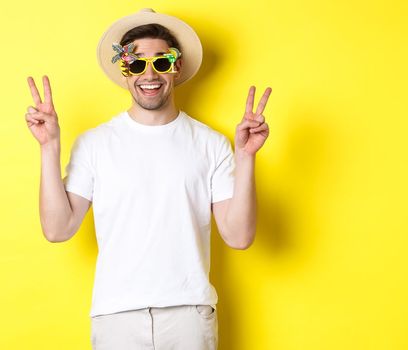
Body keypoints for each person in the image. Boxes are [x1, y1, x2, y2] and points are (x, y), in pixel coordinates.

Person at [24, 8, 271, 350]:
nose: (149, 73)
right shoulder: (95, 144)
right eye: (136, 63)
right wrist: (49, 146)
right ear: (124, 72)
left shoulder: (211, 143)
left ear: (177, 66)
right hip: (116, 318)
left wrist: (246, 158)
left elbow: (239, 236)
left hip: (189, 315)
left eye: (162, 61)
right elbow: (58, 229)